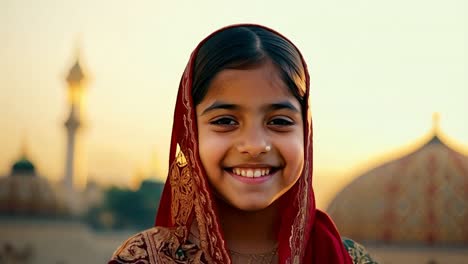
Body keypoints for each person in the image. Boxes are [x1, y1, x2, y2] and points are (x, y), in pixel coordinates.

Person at [109, 24, 377, 264]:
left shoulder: (346, 258)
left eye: (280, 121)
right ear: (190, 133)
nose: (254, 145)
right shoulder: (146, 258)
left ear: (305, 132)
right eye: (226, 121)